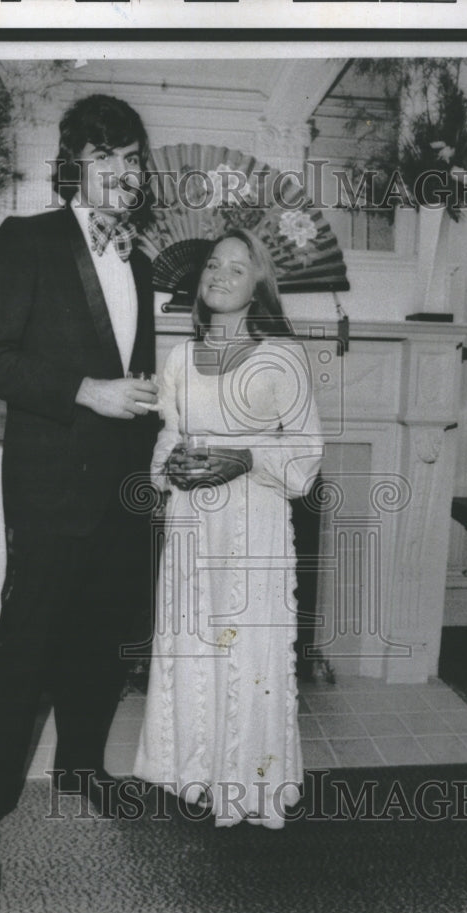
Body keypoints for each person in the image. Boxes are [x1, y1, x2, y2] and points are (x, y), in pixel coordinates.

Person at [0, 94, 159, 907]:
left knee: (101, 641)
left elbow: (128, 373)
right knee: (23, 654)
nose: (123, 172)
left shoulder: (138, 257)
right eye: (106, 155)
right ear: (74, 164)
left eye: (134, 158)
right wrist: (85, 391)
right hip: (50, 489)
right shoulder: (28, 239)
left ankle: (80, 768)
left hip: (123, 490)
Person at [133, 229, 324, 828]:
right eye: (213, 264)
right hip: (192, 522)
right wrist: (170, 468)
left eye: (236, 268)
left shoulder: (283, 355)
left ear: (257, 287)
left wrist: (244, 457)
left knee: (247, 648)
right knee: (189, 644)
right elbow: (168, 434)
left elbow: (306, 454)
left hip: (254, 521)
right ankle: (189, 773)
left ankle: (249, 781)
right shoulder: (180, 357)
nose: (218, 274)